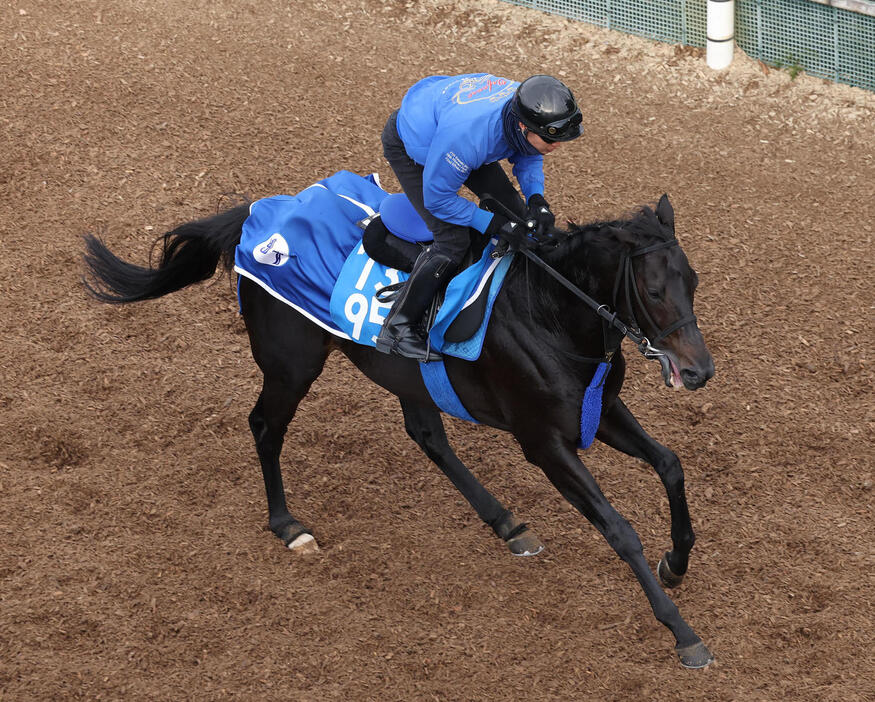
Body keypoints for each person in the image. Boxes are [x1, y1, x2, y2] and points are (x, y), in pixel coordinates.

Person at [375, 73, 583, 362]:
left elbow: (528, 152)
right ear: (524, 125)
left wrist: (537, 200)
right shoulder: (469, 137)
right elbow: (439, 200)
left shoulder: (523, 110)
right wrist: (493, 224)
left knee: (521, 217)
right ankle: (397, 328)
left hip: (454, 132)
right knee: (452, 241)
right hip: (417, 147)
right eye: (551, 138)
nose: (556, 145)